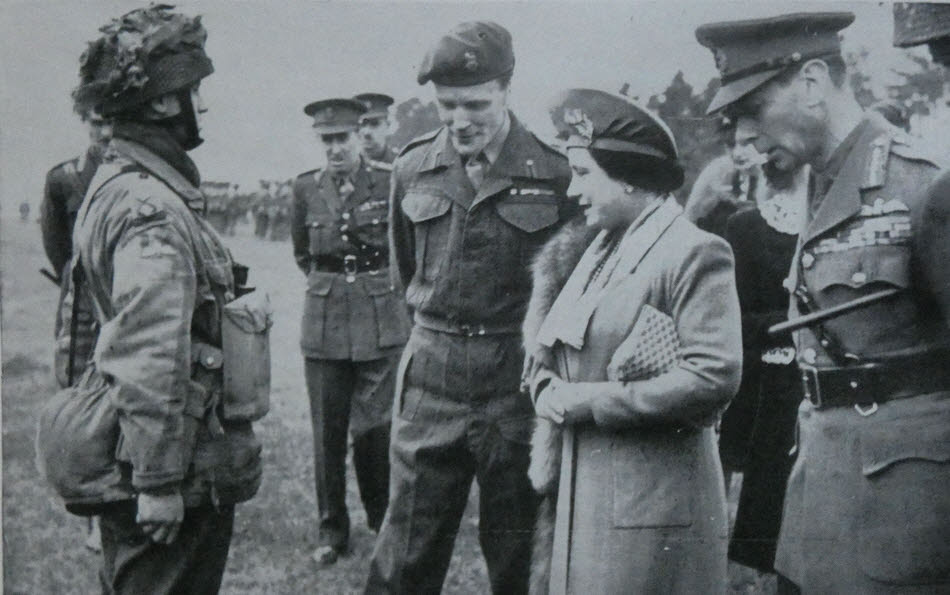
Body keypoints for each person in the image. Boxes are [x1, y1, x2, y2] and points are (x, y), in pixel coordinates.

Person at [698, 11, 950, 593]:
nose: (748, 135)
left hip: (906, 511)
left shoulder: (922, 188)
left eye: (753, 110)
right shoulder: (814, 185)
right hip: (818, 492)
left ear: (812, 82)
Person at [365, 21, 573, 595]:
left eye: (475, 104)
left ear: (506, 89)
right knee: (405, 551)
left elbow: (565, 292)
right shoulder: (411, 168)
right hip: (431, 379)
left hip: (515, 380)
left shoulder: (554, 173)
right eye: (447, 105)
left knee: (518, 551)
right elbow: (404, 272)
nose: (460, 120)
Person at [64, 6, 263, 592]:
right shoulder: (149, 206)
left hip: (149, 452)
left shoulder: (121, 182)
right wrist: (155, 484)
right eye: (194, 89)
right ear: (160, 101)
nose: (203, 105)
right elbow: (147, 352)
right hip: (168, 466)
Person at [523, 88, 742, 595]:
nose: (573, 192)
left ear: (626, 177)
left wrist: (588, 401)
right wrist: (543, 388)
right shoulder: (592, 251)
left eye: (583, 175)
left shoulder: (693, 252)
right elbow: (550, 349)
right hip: (586, 488)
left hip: (652, 504)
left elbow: (713, 376)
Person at [291, 97, 410, 565]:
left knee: (374, 428)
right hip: (323, 320)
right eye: (327, 140)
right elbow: (303, 253)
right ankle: (331, 530)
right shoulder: (304, 188)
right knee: (327, 430)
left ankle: (381, 519)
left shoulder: (387, 180)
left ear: (359, 134)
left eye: (342, 138)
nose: (335, 148)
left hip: (379, 315)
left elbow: (403, 246)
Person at [717, 116, 809, 576]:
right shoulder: (744, 226)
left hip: (814, 379)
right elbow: (732, 312)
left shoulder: (826, 216)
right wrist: (787, 323)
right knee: (759, 482)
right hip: (760, 379)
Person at [683, 116, 765, 236]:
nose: (736, 153)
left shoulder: (776, 171)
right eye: (730, 145)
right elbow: (690, 219)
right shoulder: (716, 171)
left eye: (745, 144)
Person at [354, 92, 398, 163]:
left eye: (374, 124)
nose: (367, 132)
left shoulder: (400, 164)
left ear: (387, 126)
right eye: (362, 124)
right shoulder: (348, 169)